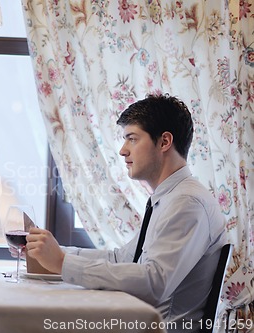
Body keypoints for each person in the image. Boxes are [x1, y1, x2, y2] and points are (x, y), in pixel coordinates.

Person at [26, 94, 227, 332]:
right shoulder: (169, 198)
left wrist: (62, 263)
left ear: (164, 142)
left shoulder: (187, 202)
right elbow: (121, 259)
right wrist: (51, 253)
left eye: (132, 139)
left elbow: (154, 282)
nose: (122, 151)